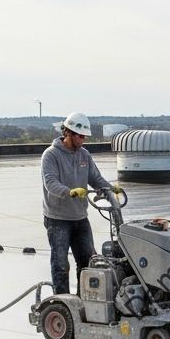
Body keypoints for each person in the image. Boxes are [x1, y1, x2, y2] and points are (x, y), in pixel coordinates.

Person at [41, 112, 120, 295]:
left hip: (80, 218)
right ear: (68, 133)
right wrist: (69, 192)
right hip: (58, 219)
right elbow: (51, 183)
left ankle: (84, 300)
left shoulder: (84, 155)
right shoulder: (51, 155)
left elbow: (95, 178)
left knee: (87, 261)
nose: (83, 139)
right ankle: (62, 300)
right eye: (81, 135)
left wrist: (110, 190)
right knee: (61, 264)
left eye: (85, 136)